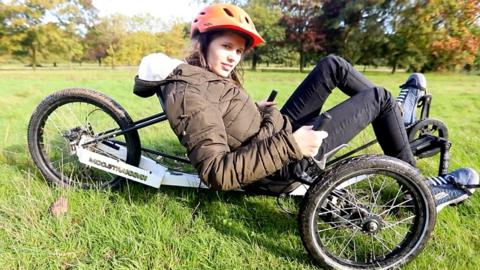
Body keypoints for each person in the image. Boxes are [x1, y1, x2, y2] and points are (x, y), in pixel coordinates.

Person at [135, 3, 478, 212]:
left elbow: (223, 114)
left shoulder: (201, 75)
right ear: (204, 42)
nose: (233, 57)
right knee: (379, 98)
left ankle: (394, 120)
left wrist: (256, 108)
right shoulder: (190, 92)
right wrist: (294, 145)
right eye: (227, 46)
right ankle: (421, 187)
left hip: (274, 129)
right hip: (283, 163)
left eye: (238, 51)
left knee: (332, 65)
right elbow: (217, 173)